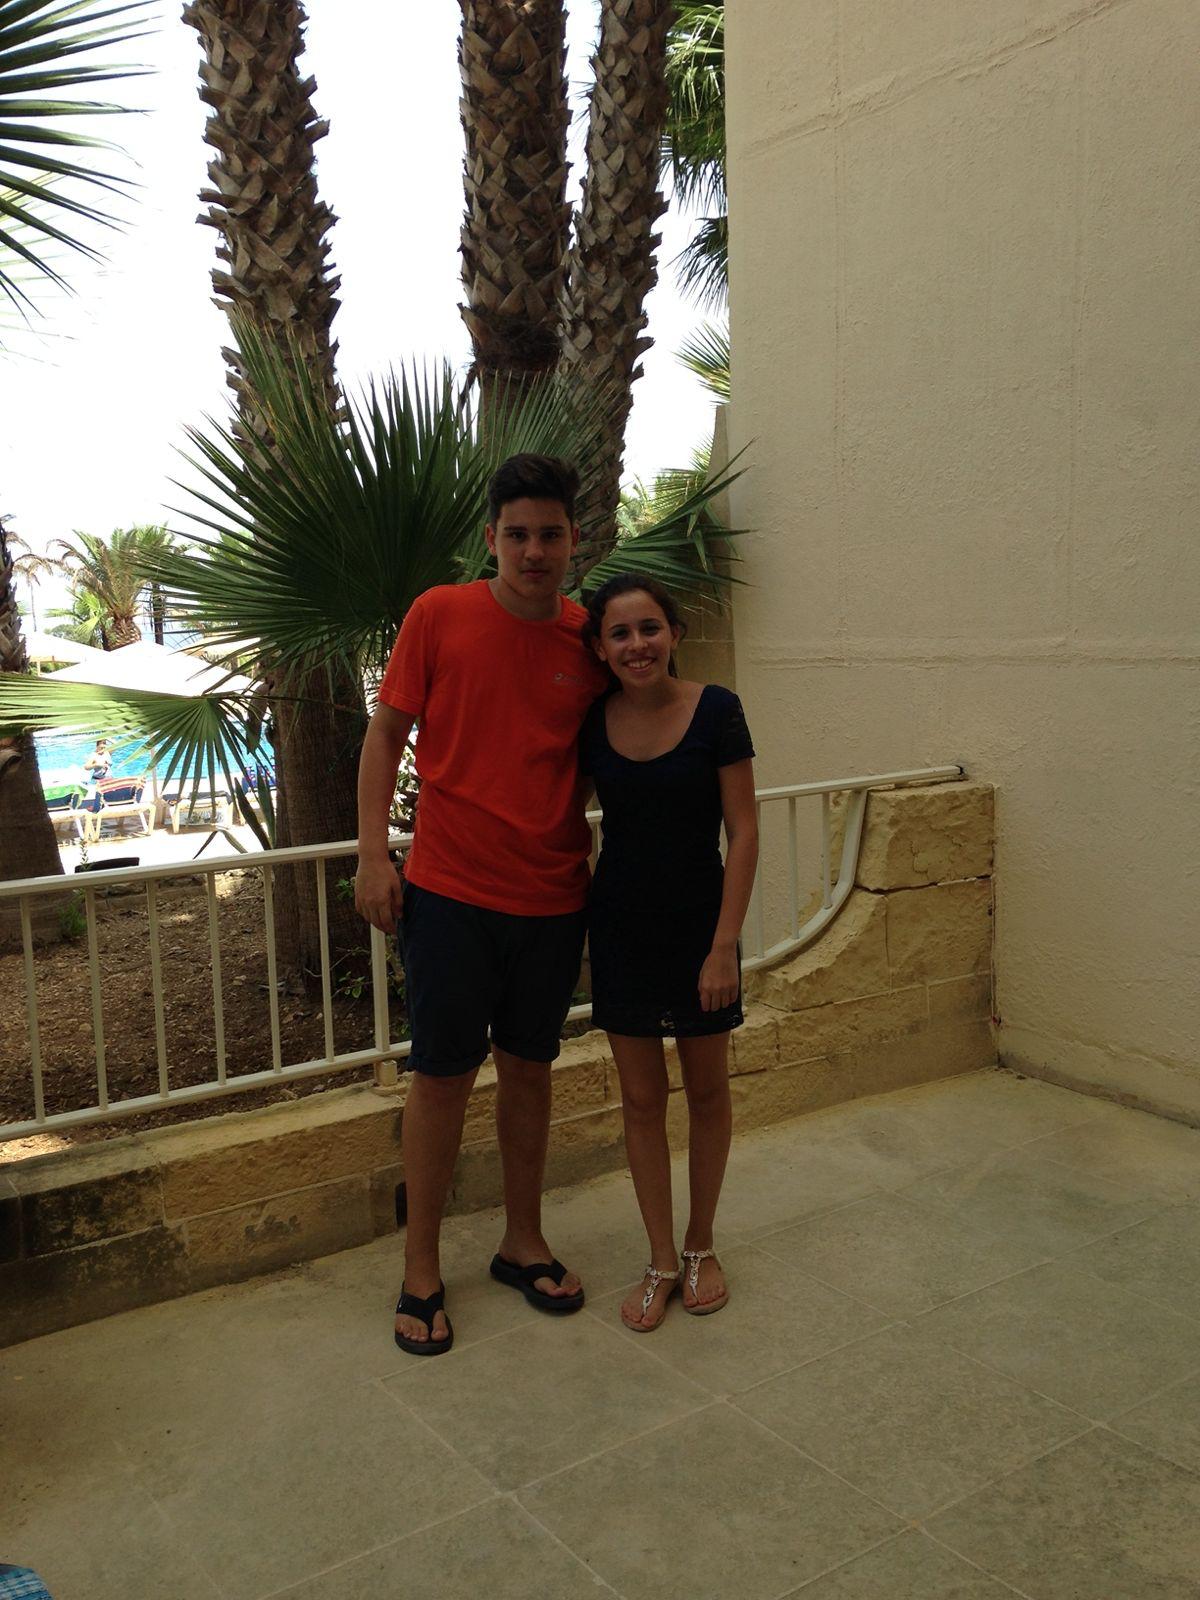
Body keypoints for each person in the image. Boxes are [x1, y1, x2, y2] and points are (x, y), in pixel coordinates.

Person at [355, 454, 608, 1356]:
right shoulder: (441, 614)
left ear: (574, 539)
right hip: (451, 890)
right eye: (517, 534)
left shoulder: (593, 639)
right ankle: (421, 1267)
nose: (533, 551)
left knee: (532, 1070)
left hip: (552, 895)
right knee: (442, 1076)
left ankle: (521, 1241)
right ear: (490, 539)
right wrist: (374, 856)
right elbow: (385, 732)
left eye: (550, 534)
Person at [580, 574, 758, 1332]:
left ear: (674, 635)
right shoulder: (593, 720)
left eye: (649, 628)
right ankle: (658, 1257)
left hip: (699, 932)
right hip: (619, 928)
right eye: (619, 634)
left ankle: (699, 1245)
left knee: (708, 1092)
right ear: (601, 649)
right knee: (642, 1101)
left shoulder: (717, 710)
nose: (637, 644)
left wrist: (724, 947)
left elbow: (743, 830)